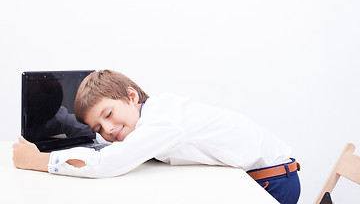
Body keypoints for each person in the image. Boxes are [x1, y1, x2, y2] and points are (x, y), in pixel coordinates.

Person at [13, 70, 301, 203]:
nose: (108, 130)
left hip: (272, 184)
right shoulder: (153, 114)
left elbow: (105, 165)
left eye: (109, 115)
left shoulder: (163, 122)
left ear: (131, 95)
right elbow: (105, 145)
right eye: (98, 128)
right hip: (263, 178)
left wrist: (39, 160)